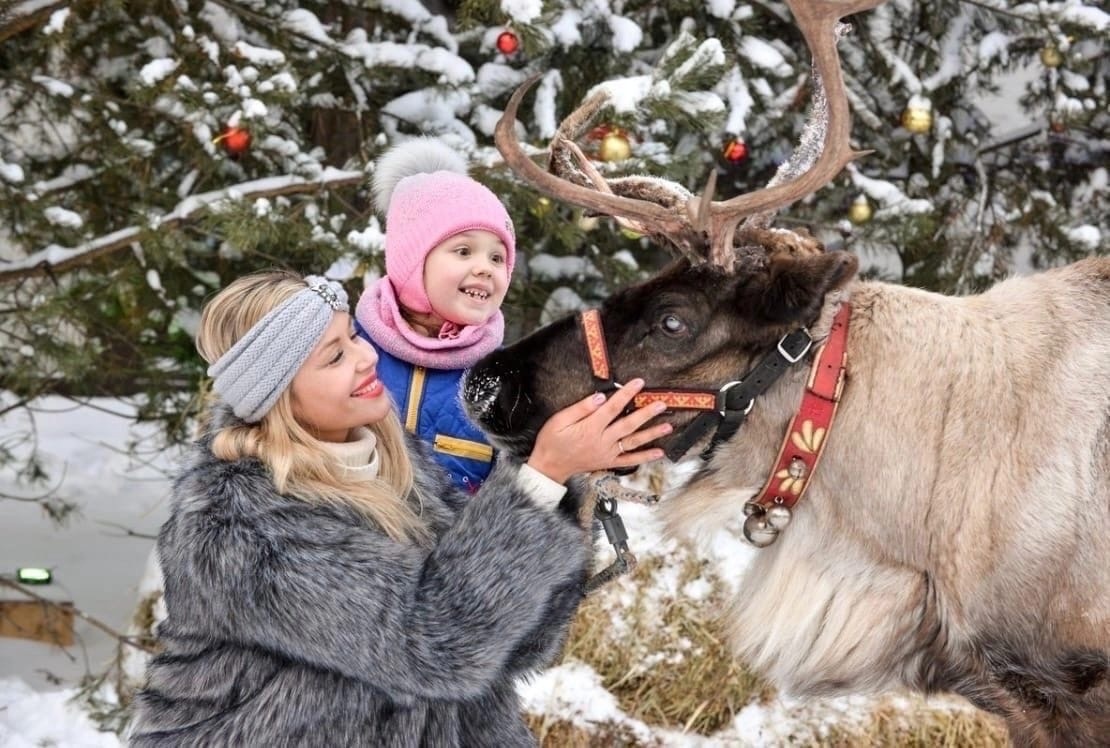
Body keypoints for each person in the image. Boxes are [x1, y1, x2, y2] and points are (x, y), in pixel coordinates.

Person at [128, 270, 671, 747]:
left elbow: (513, 644)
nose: (368, 357)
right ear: (278, 395)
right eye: (335, 356)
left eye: (353, 338)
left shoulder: (392, 465)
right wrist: (541, 476)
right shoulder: (237, 529)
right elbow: (434, 644)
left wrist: (560, 480)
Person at [355, 137, 516, 493]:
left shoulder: (503, 378)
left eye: (497, 257)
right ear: (411, 260)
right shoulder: (348, 351)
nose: (486, 268)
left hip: (457, 546)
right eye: (463, 250)